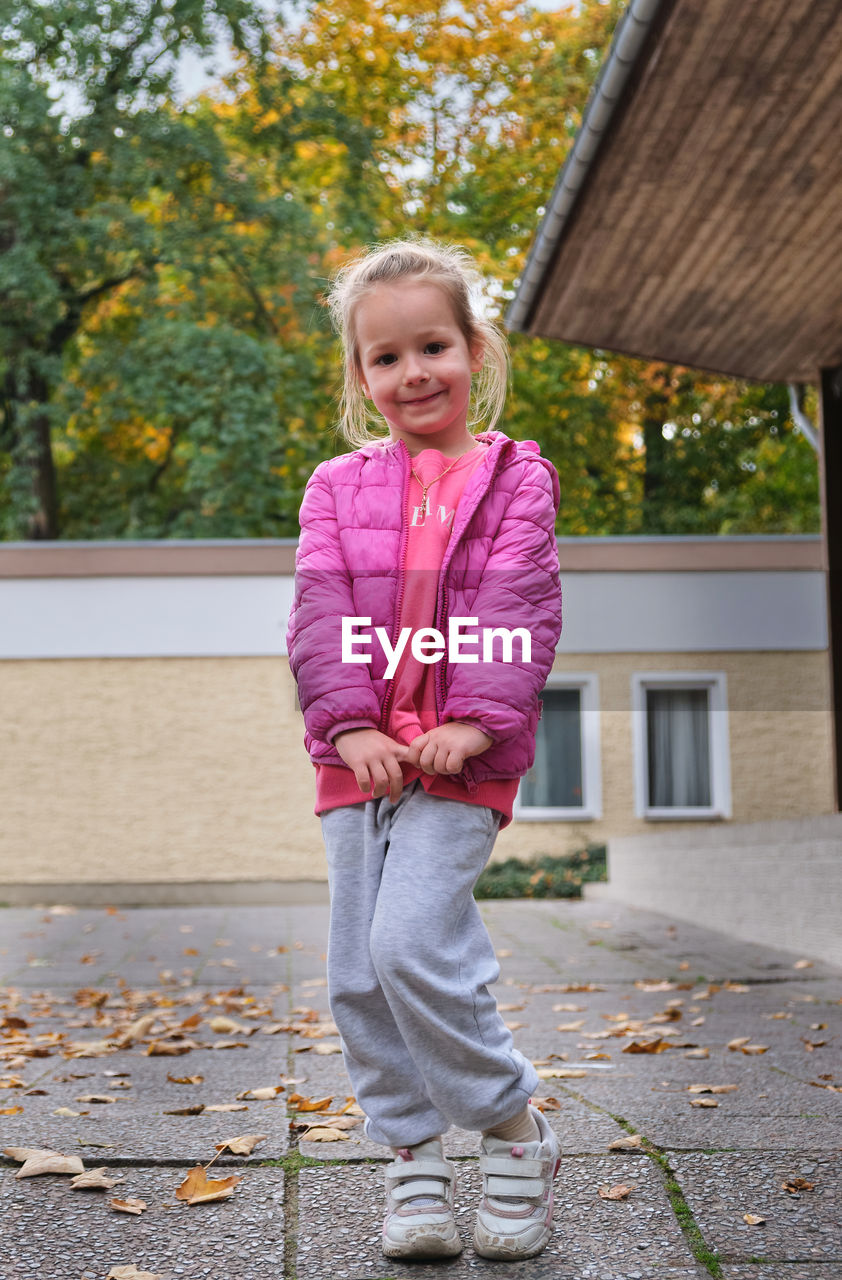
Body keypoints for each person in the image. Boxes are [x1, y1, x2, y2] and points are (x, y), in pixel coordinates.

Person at [286, 237, 563, 1261]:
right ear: (360, 375)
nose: (413, 373)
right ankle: (410, 1160)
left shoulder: (513, 480)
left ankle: (508, 1126)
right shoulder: (334, 487)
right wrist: (348, 723)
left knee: (409, 944)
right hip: (356, 761)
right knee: (358, 974)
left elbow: (519, 601)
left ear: (473, 349)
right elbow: (321, 611)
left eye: (432, 345)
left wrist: (474, 719)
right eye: (386, 357)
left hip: (460, 762)